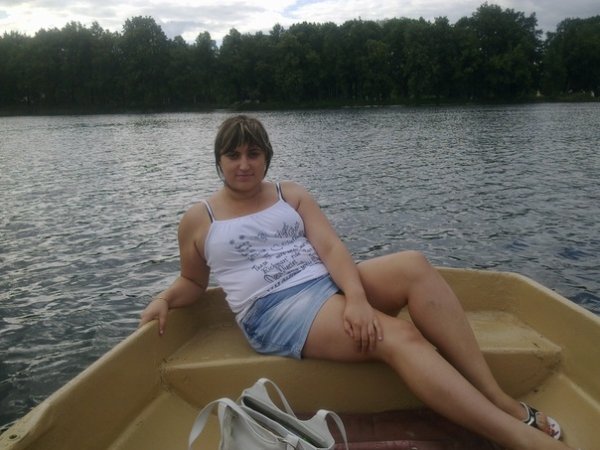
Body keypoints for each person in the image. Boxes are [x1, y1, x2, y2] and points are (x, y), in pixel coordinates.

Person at [139, 115, 575, 450]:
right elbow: (192, 281)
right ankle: (518, 437)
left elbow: (331, 249)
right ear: (219, 160)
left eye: (253, 153)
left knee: (414, 265)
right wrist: (165, 299)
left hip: (323, 283)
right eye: (233, 155)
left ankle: (496, 396)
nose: (244, 164)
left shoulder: (290, 194)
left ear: (266, 157)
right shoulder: (199, 219)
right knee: (399, 335)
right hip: (275, 310)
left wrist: (356, 298)